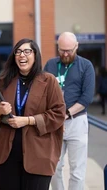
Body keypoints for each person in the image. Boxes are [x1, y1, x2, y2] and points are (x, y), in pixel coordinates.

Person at [0, 38, 66, 190]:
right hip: (6, 155)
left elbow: (58, 114)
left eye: (27, 51)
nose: (22, 55)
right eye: (18, 52)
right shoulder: (3, 81)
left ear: (35, 55)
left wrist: (28, 120)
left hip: (38, 154)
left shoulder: (49, 81)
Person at [44, 32, 95, 190]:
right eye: (62, 50)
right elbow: (43, 92)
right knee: (53, 167)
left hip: (76, 122)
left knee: (77, 171)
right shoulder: (51, 65)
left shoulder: (86, 66)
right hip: (54, 124)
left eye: (69, 51)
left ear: (77, 47)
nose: (65, 54)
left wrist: (65, 115)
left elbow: (86, 99)